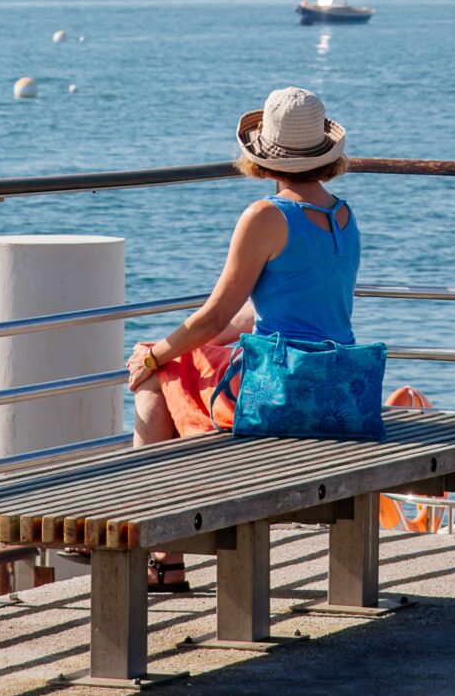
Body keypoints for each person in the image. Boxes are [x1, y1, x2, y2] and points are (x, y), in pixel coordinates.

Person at [126, 86, 359, 591]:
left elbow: (213, 319)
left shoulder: (265, 216)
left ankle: (153, 549)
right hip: (337, 391)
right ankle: (159, 551)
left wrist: (153, 355)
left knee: (157, 370)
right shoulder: (342, 214)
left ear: (265, 156)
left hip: (278, 395)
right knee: (175, 360)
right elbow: (277, 311)